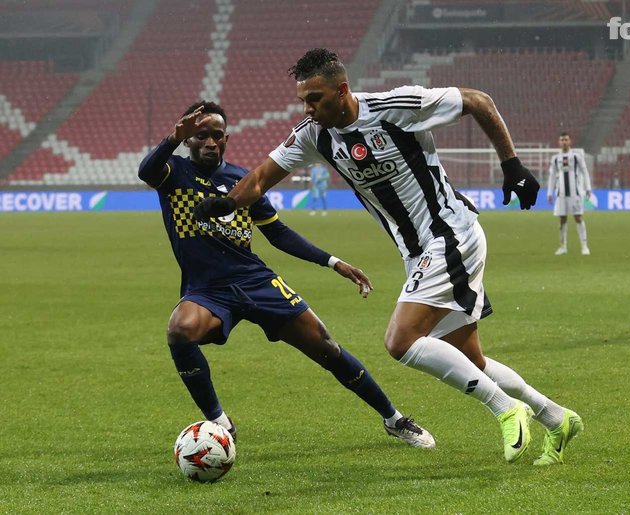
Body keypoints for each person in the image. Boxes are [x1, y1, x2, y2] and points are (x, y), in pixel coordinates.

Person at [195, 49, 583, 465]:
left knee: (400, 341)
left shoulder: (394, 107)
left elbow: (478, 102)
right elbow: (258, 179)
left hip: (449, 233)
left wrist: (512, 165)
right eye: (303, 101)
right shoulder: (314, 134)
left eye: (316, 99)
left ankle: (506, 408)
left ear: (342, 90)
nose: (308, 109)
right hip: (418, 252)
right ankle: (557, 418)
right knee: (469, 359)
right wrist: (226, 204)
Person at [137, 101, 435, 449]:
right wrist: (173, 137)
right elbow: (147, 171)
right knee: (180, 329)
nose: (210, 142)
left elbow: (277, 233)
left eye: (217, 136)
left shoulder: (241, 181)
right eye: (201, 135)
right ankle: (219, 421)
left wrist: (334, 262)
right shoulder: (173, 173)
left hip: (256, 282)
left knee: (326, 346)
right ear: (190, 139)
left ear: (227, 139)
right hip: (208, 290)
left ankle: (394, 419)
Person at [546, 132, 592, 256]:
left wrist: (588, 188)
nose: (564, 142)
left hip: (575, 194)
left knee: (578, 217)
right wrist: (549, 193)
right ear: (559, 142)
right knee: (562, 219)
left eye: (566, 139)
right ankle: (563, 246)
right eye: (562, 140)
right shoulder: (555, 159)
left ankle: (584, 246)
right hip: (561, 194)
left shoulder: (577, 157)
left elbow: (584, 171)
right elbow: (552, 177)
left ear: (570, 141)